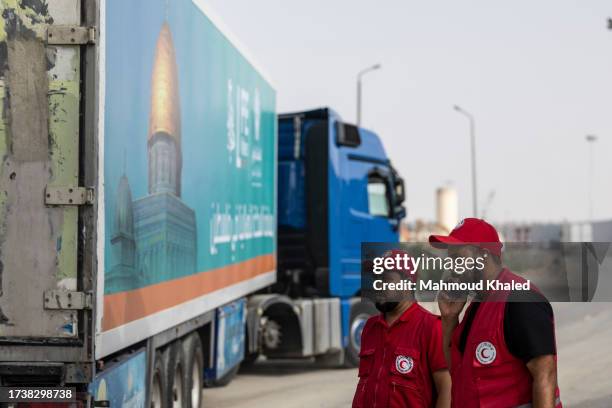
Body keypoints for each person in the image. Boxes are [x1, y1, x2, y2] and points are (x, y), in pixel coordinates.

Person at [430, 218, 562, 408]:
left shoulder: (520, 299)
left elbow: (545, 375)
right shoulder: (476, 305)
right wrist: (449, 319)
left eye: (458, 258)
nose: (452, 267)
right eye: (450, 259)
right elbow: (459, 372)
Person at [352, 250, 451, 408]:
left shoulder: (431, 327)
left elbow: (447, 391)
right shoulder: (370, 327)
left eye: (385, 279)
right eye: (376, 278)